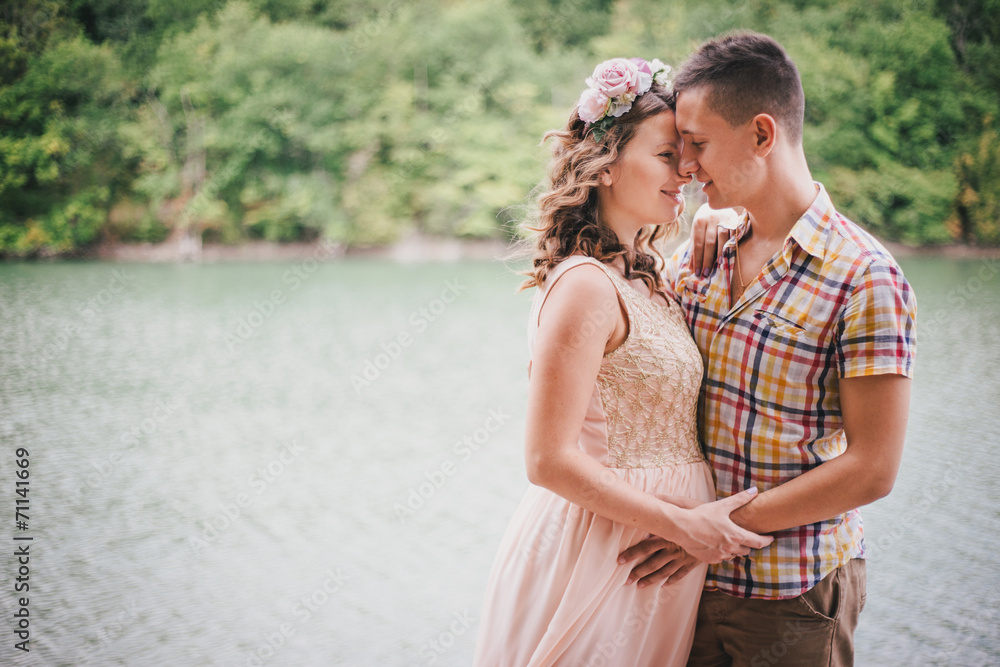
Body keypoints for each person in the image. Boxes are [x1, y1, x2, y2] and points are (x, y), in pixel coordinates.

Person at [619, 32, 918, 666]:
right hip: (685, 587)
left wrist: (713, 529)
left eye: (697, 145)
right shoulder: (698, 258)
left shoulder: (865, 277)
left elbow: (873, 468)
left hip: (793, 592)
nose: (687, 167)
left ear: (761, 134)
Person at [472, 57, 773, 667]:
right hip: (601, 549)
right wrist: (683, 525)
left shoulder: (651, 277)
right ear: (606, 164)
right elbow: (546, 460)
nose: (687, 172)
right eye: (667, 156)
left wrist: (722, 216)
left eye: (688, 157)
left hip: (658, 556)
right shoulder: (584, 285)